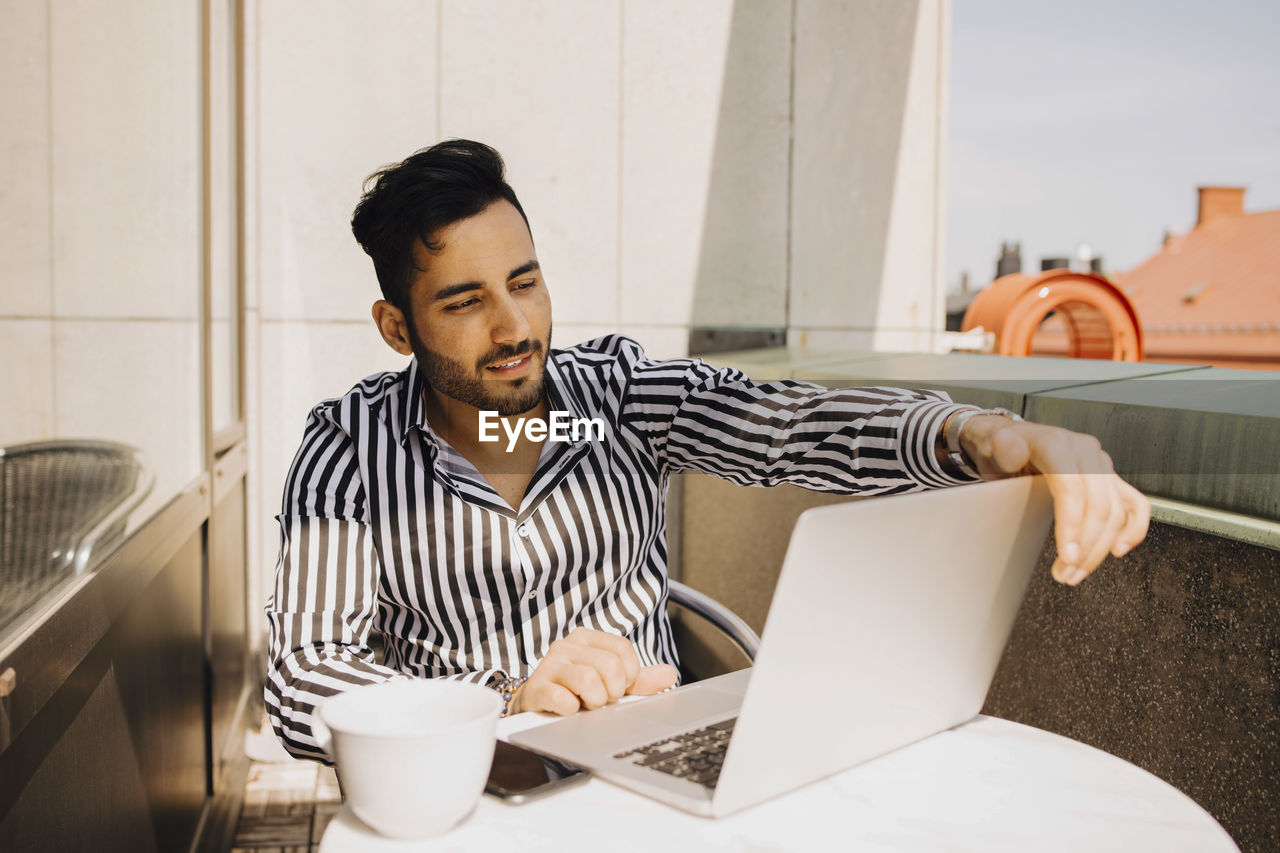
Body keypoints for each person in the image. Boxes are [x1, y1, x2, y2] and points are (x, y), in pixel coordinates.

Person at [266, 139, 1149, 760]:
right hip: (475, 795)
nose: (514, 327)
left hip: (655, 770)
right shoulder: (349, 449)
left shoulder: (611, 398)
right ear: (396, 326)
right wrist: (506, 700)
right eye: (464, 302)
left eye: (526, 282)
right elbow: (304, 680)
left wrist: (982, 434)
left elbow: (790, 424)